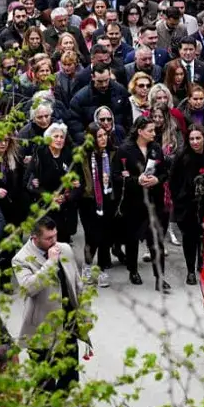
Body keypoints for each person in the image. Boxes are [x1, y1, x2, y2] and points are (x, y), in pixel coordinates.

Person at [12, 217, 89, 407]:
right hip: (41, 333)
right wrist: (49, 264)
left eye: (55, 236)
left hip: (66, 327)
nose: (54, 241)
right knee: (44, 390)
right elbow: (29, 287)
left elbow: (76, 283)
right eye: (49, 238)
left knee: (70, 378)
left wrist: (83, 315)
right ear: (35, 238)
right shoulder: (21, 258)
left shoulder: (63, 248)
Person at [119, 117, 170, 291]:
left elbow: (164, 172)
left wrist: (157, 179)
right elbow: (117, 176)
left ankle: (160, 277)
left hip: (154, 201)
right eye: (150, 131)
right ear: (140, 131)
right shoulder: (125, 150)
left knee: (156, 240)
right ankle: (133, 270)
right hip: (134, 202)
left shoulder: (155, 148)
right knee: (132, 239)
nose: (154, 134)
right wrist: (135, 180)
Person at [170, 124, 204, 286]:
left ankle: (201, 263)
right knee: (189, 238)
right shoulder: (182, 156)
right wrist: (178, 200)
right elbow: (173, 180)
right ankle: (190, 270)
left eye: (198, 138)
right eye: (192, 139)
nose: (195, 142)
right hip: (187, 204)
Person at [78, 121, 120, 289]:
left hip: (108, 198)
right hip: (88, 200)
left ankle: (102, 269)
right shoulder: (82, 155)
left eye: (105, 135)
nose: (103, 139)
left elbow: (117, 174)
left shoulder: (112, 153)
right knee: (92, 235)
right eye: (99, 136)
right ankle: (87, 266)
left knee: (105, 236)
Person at [25, 123, 81, 244]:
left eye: (62, 137)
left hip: (65, 206)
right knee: (48, 241)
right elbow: (29, 181)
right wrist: (50, 197)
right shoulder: (40, 154)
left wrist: (67, 196)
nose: (59, 140)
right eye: (56, 136)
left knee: (64, 242)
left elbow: (76, 181)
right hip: (46, 205)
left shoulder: (69, 154)